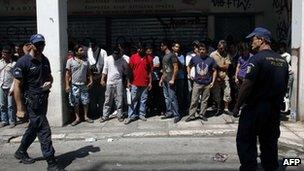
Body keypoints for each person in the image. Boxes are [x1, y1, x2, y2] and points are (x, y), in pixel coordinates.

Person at [233, 27, 289, 171]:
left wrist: (237, 105)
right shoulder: (282, 61)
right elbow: (284, 86)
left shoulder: (257, 59)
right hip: (273, 111)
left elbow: (247, 84)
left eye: (253, 39)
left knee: (245, 139)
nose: (251, 43)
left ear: (262, 40)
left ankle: (249, 167)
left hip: (255, 108)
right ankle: (270, 167)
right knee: (269, 142)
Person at [13, 34, 59, 170]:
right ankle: (51, 162)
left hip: (43, 99)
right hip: (32, 102)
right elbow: (17, 86)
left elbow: (50, 77)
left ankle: (21, 151)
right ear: (31, 45)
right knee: (44, 130)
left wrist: (49, 83)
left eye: (42, 44)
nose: (40, 47)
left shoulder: (45, 60)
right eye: (38, 44)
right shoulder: (23, 62)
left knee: (34, 127)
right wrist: (20, 108)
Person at [185, 43, 217, 122]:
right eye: (200, 50)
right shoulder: (195, 58)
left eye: (203, 49)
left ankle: (202, 114)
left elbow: (215, 71)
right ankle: (191, 115)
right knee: (194, 100)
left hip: (207, 83)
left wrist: (213, 81)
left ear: (206, 50)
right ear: (198, 50)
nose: (202, 51)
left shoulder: (210, 60)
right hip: (197, 83)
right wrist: (188, 74)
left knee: (204, 100)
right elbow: (189, 66)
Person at [65, 44, 93, 126]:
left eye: (83, 50)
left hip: (84, 84)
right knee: (75, 102)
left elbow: (89, 72)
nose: (83, 51)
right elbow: (67, 74)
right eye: (81, 50)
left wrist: (91, 80)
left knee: (85, 101)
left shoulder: (86, 61)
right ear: (76, 52)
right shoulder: (70, 61)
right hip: (74, 85)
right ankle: (77, 118)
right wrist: (67, 85)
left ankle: (86, 116)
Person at [100, 46, 130, 123]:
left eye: (117, 54)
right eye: (115, 54)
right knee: (107, 99)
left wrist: (127, 80)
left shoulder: (122, 60)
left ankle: (119, 115)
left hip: (119, 81)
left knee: (119, 99)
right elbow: (105, 69)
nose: (116, 55)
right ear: (113, 53)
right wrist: (102, 79)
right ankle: (105, 116)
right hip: (109, 81)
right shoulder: (108, 59)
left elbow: (126, 71)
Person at [125, 44, 153, 124]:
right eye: (138, 49)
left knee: (143, 100)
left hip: (145, 83)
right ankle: (131, 116)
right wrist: (128, 82)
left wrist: (150, 82)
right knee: (133, 100)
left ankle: (141, 114)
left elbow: (150, 72)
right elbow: (129, 71)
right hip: (134, 83)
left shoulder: (149, 59)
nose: (139, 50)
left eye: (141, 49)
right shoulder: (133, 57)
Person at [210, 40, 234, 119]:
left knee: (227, 91)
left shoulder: (226, 55)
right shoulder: (212, 55)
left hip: (225, 76)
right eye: (220, 48)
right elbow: (211, 67)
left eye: (223, 48)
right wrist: (219, 68)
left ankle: (226, 108)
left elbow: (227, 67)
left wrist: (217, 66)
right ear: (218, 47)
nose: (222, 50)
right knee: (216, 93)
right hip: (215, 77)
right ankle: (218, 108)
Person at [159, 40, 181, 123]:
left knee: (172, 98)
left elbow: (176, 68)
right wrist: (161, 79)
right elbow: (165, 69)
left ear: (166, 46)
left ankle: (177, 115)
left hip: (170, 80)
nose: (161, 47)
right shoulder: (164, 56)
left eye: (162, 45)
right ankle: (169, 112)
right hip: (165, 80)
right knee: (167, 98)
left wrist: (173, 79)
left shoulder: (172, 56)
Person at [0, 45, 16, 128]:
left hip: (10, 87)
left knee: (10, 105)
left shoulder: (13, 64)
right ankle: (4, 120)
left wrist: (13, 88)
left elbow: (15, 77)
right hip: (2, 86)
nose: (3, 55)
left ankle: (12, 121)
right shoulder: (0, 63)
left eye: (5, 53)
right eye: (3, 53)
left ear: (10, 54)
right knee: (2, 105)